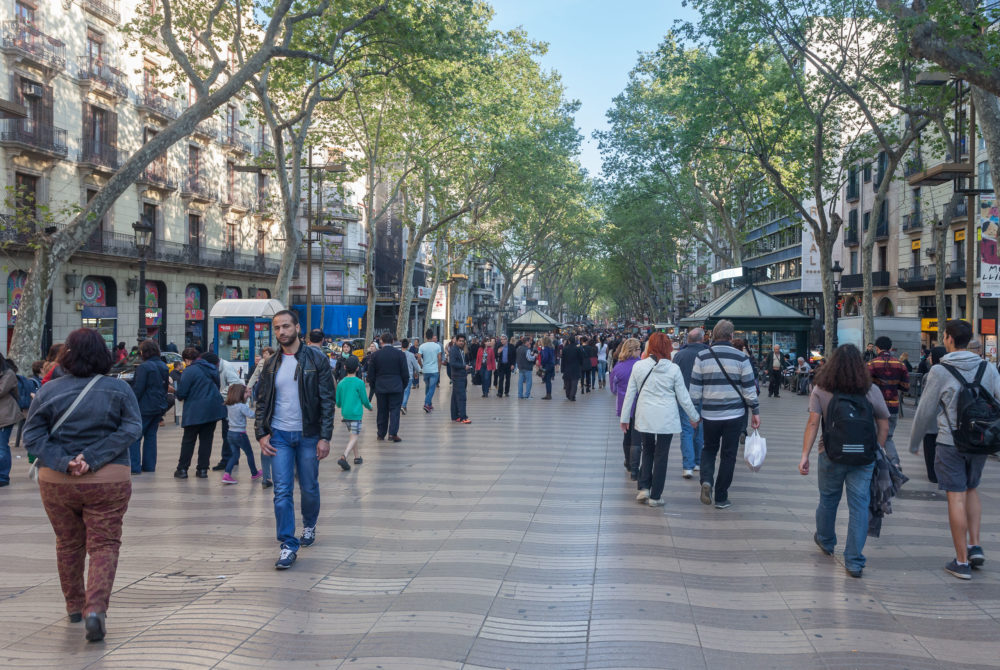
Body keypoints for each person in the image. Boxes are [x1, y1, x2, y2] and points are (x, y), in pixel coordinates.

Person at [22, 328, 142, 642]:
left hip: (57, 481)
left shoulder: (49, 390)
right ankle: (95, 610)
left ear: (67, 356)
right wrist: (93, 457)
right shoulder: (118, 390)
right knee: (104, 544)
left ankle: (74, 606)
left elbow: (31, 437)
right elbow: (132, 428)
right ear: (104, 355)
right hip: (108, 480)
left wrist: (65, 461)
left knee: (67, 543)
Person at [908, 320, 996, 580]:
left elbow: (925, 410)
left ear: (947, 338)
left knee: (955, 496)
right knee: (972, 489)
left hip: (950, 441)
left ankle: (961, 562)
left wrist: (914, 442)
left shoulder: (940, 370)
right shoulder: (987, 367)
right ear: (969, 339)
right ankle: (974, 545)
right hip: (981, 440)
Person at [798, 344, 889, 578]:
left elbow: (813, 423)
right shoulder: (871, 390)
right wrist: (875, 449)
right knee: (859, 505)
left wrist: (805, 455)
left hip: (830, 453)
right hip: (863, 457)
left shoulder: (821, 389)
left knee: (828, 499)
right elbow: (884, 423)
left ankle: (827, 541)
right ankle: (854, 561)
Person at [254, 309, 336, 569]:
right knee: (282, 491)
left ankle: (309, 525)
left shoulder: (316, 359)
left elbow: (327, 400)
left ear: (298, 328)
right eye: (277, 328)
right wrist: (261, 433)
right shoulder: (270, 363)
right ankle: (288, 544)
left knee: (309, 487)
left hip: (309, 435)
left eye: (286, 327)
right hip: (279, 435)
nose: (282, 332)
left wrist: (325, 437)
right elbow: (262, 401)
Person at [621, 333, 699, 507]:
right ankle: (656, 496)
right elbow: (684, 398)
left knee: (647, 450)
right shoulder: (673, 369)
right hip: (667, 418)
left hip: (645, 416)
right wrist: (694, 417)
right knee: (661, 455)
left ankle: (643, 488)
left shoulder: (639, 367)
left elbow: (630, 395)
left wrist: (625, 418)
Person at [690, 319, 761, 510]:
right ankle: (721, 497)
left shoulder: (702, 356)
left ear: (713, 335)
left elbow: (695, 389)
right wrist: (755, 411)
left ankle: (706, 481)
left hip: (710, 415)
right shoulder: (741, 358)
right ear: (731, 336)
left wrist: (693, 414)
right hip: (734, 415)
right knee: (728, 455)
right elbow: (749, 389)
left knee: (709, 449)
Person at [173, 350, 226, 479]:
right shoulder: (212, 369)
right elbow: (217, 387)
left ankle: (182, 469)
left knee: (189, 440)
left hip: (194, 410)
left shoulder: (189, 371)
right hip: (212, 410)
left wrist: (175, 391)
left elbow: (182, 393)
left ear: (187, 360)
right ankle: (202, 470)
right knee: (206, 440)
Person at [867, 335, 909, 467]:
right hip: (893, 406)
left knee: (873, 436)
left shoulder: (871, 364)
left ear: (877, 348)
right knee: (888, 437)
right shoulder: (900, 364)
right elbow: (905, 387)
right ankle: (895, 464)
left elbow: (864, 385)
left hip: (875, 407)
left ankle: (875, 464)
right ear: (890, 348)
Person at [671, 328, 708, 479]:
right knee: (699, 429)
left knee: (686, 431)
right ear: (702, 339)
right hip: (703, 398)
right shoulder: (708, 354)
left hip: (683, 399)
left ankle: (688, 466)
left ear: (688, 340)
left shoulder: (679, 355)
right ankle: (698, 462)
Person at [129, 340, 169, 474]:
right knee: (151, 437)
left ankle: (134, 467)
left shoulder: (144, 367)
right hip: (158, 406)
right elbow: (164, 388)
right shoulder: (163, 366)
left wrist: (130, 404)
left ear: (143, 352)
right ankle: (149, 466)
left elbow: (138, 389)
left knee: (135, 437)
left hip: (144, 407)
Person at [912, 345, 946, 483]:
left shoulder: (930, 374)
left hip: (931, 416)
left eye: (931, 356)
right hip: (946, 417)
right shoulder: (952, 372)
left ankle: (932, 474)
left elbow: (926, 398)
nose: (929, 358)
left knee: (930, 445)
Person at [611, 338, 643, 479]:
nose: (641, 351)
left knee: (627, 435)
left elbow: (613, 389)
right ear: (633, 350)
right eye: (639, 349)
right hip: (640, 405)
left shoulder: (618, 366)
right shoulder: (641, 366)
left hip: (624, 405)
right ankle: (635, 468)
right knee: (637, 437)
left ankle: (628, 463)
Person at [368, 332, 409, 441]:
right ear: (392, 342)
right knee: (395, 411)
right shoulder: (400, 354)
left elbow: (370, 375)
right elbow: (405, 374)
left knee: (382, 411)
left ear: (381, 342)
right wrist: (402, 386)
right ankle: (392, 434)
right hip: (396, 387)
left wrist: (374, 387)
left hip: (381, 388)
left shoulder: (375, 355)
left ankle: (381, 434)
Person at [245, 346, 275, 488]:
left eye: (266, 354)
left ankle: (267, 478)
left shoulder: (267, 368)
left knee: (267, 444)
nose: (264, 356)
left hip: (267, 413)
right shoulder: (270, 366)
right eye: (263, 354)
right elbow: (254, 377)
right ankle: (268, 478)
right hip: (273, 415)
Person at [335, 357, 371, 470]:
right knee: (354, 436)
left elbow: (338, 402)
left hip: (345, 413)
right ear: (357, 368)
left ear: (345, 367)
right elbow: (365, 399)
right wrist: (369, 407)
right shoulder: (359, 383)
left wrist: (341, 406)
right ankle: (344, 456)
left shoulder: (341, 383)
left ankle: (357, 457)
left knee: (352, 435)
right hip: (356, 413)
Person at [221, 384, 261, 485]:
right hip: (240, 434)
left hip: (230, 433)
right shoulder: (242, 406)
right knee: (249, 453)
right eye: (246, 393)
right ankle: (254, 473)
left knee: (234, 455)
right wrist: (260, 412)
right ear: (240, 394)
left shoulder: (229, 405)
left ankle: (227, 474)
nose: (248, 394)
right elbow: (252, 415)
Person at [212, 354, 244, 472]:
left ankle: (227, 460)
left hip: (230, 404)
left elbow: (235, 384)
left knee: (227, 433)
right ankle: (232, 458)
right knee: (229, 433)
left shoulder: (226, 367)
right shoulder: (220, 367)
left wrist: (219, 393)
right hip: (228, 403)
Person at [0, 353, 21, 487]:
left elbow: (1, 390)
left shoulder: (8, 374)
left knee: (1, 447)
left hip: (5, 416)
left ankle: (3, 476)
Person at [449, 333, 472, 423]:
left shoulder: (460, 349)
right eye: (460, 341)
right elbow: (452, 363)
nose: (461, 343)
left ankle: (455, 416)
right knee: (462, 397)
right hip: (458, 376)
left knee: (455, 397)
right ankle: (463, 417)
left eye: (463, 341)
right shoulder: (454, 350)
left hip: (461, 375)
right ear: (456, 341)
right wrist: (463, 366)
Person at [418, 329, 443, 413]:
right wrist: (439, 369)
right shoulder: (437, 346)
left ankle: (429, 404)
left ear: (425, 336)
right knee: (432, 388)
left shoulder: (422, 346)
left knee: (428, 387)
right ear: (432, 336)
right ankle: (426, 404)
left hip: (426, 370)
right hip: (434, 370)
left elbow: (418, 358)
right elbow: (439, 359)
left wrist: (422, 366)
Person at [400, 338, 420, 414]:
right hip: (409, 376)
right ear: (408, 346)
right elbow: (416, 366)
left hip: (399, 376)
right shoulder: (411, 355)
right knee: (407, 391)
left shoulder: (398, 353)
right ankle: (403, 405)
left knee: (401, 391)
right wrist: (418, 371)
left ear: (401, 345)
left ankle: (402, 405)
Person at [561, 336, 583, 401]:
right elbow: (581, 358)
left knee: (567, 382)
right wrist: (580, 364)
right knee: (574, 382)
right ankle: (572, 395)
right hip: (576, 367)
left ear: (569, 341)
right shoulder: (578, 348)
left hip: (567, 367)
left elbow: (563, 360)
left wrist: (562, 369)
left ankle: (568, 394)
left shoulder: (565, 349)